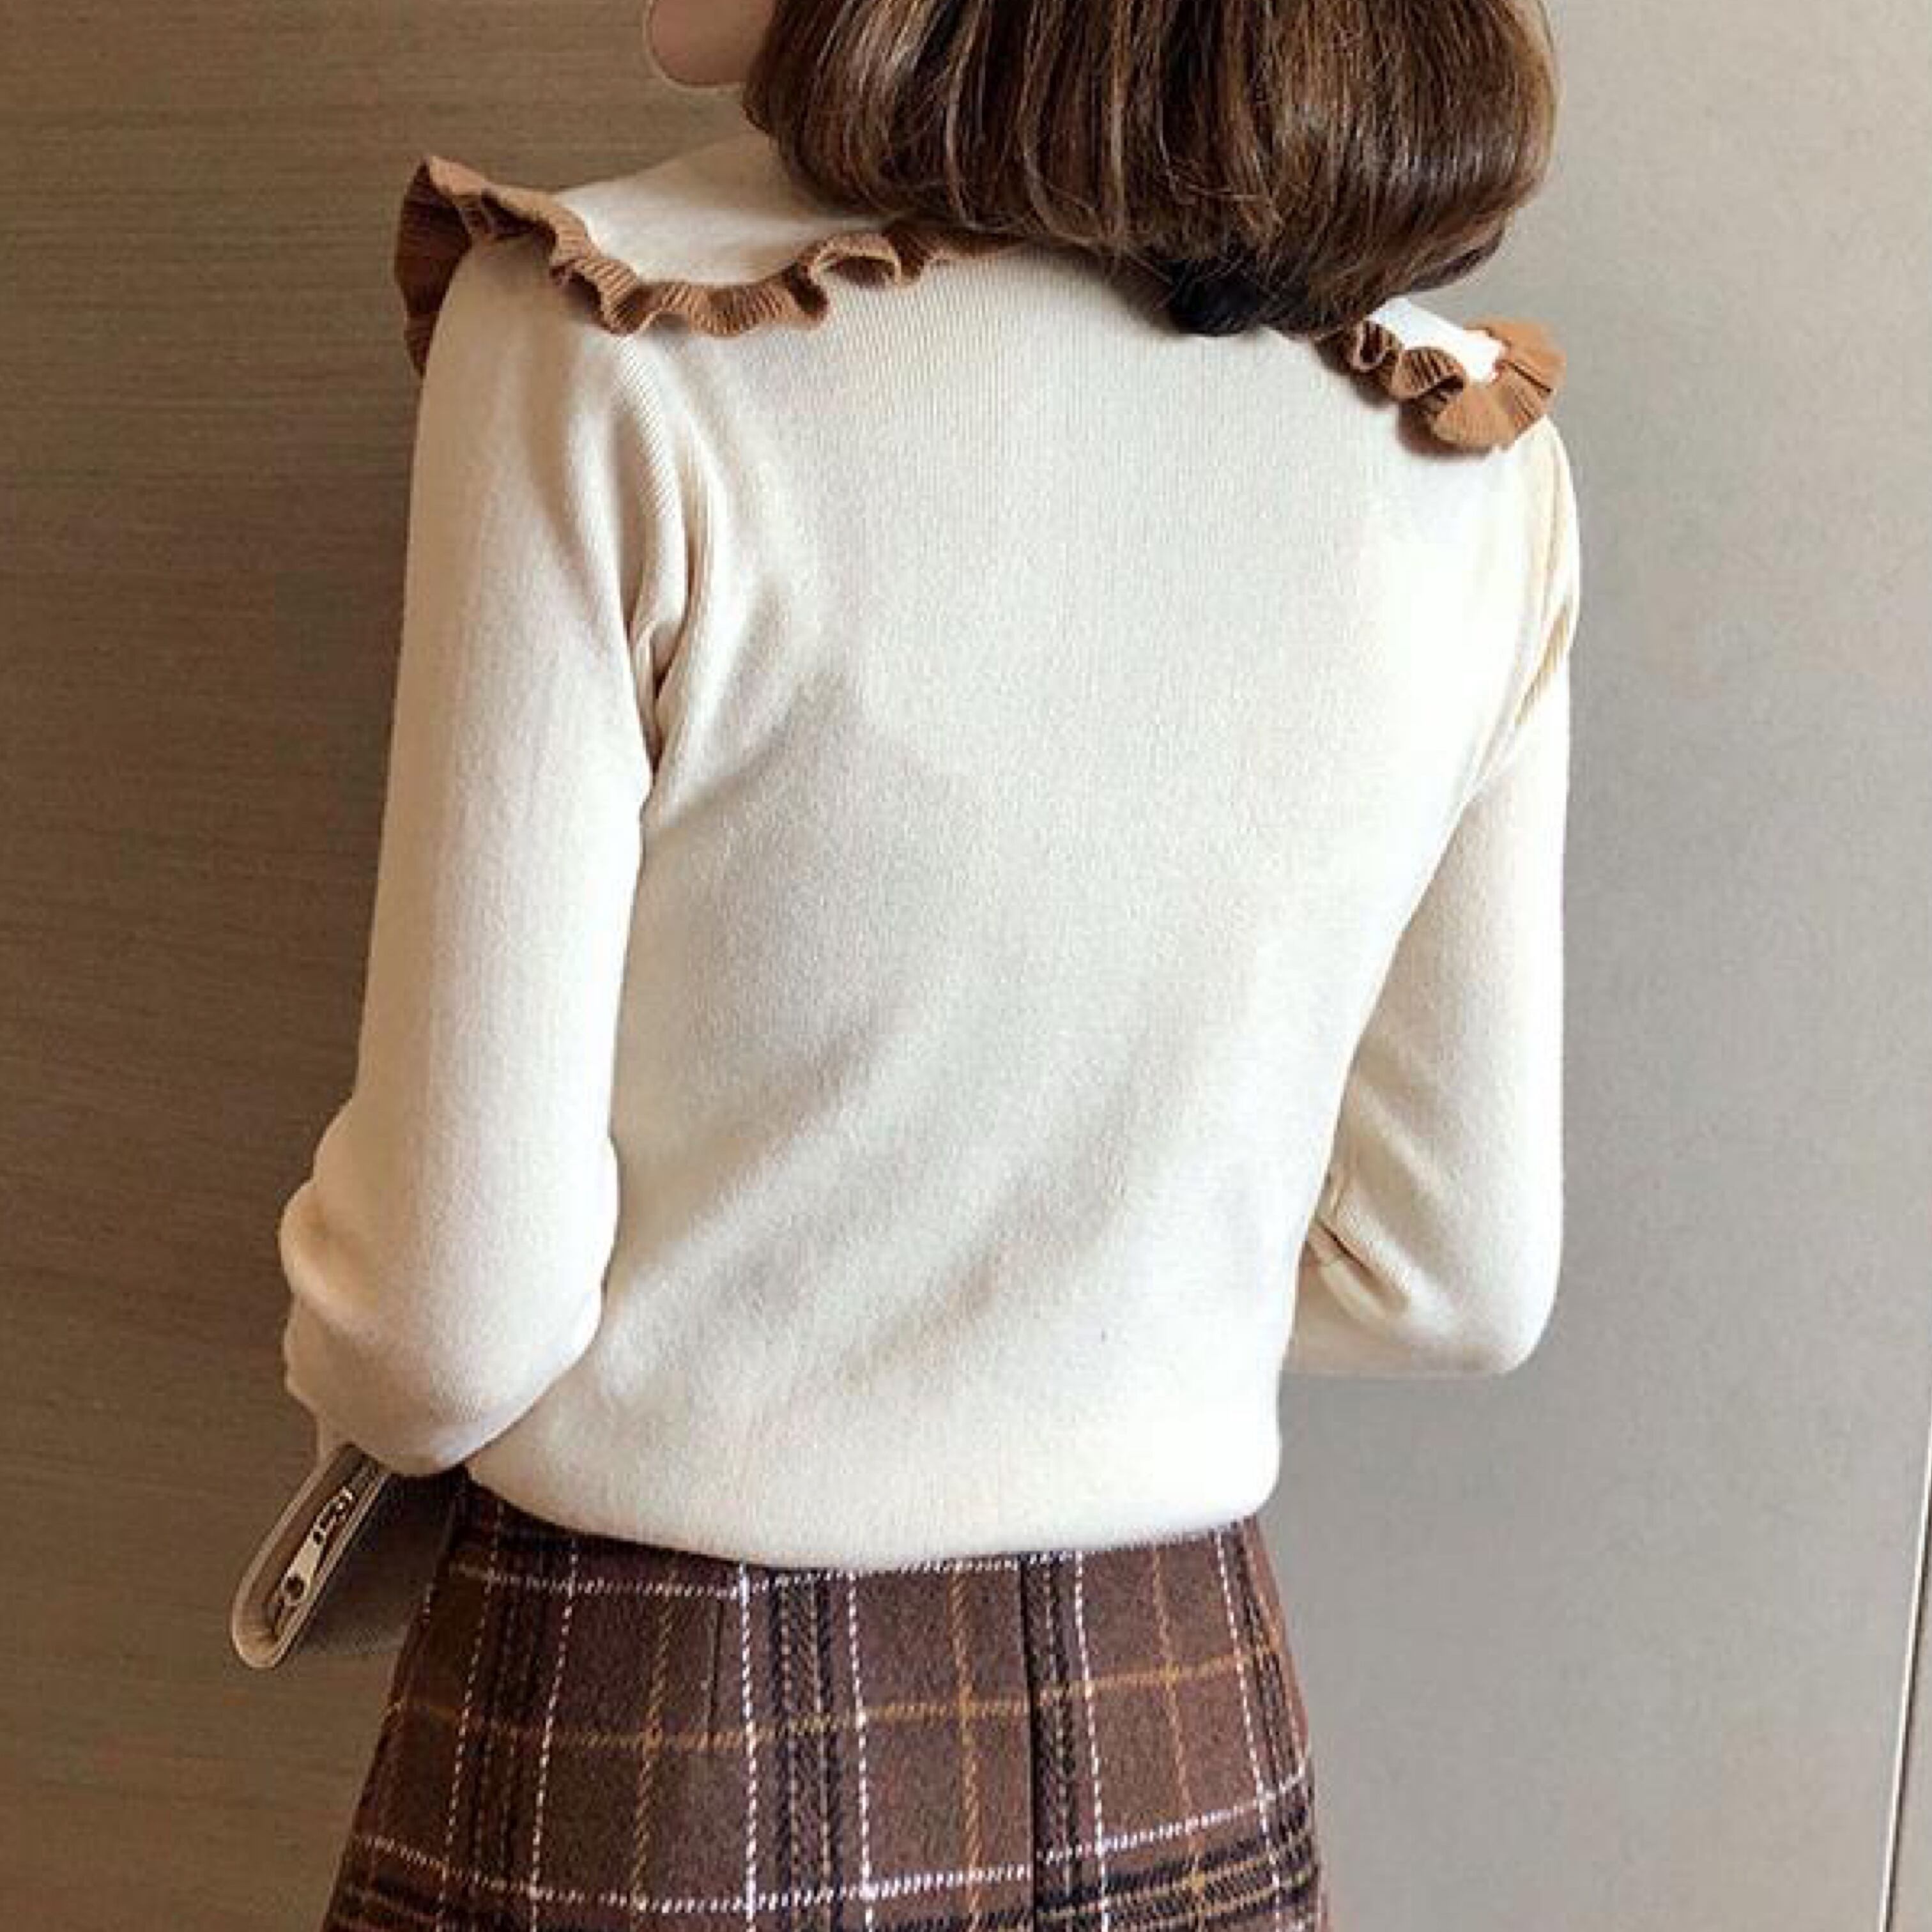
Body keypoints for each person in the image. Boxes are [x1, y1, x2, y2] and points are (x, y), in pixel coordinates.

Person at [280, 1, 1580, 1926]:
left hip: (658, 1728)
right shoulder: (1464, 444)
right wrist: (1077, 1308)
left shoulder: (612, 337)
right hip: (1184, 1724)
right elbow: (1455, 1278)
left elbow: (443, 1324)